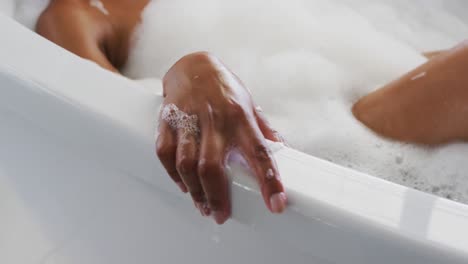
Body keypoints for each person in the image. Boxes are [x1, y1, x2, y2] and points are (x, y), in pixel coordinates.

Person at [35, 0, 468, 224]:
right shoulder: (84, 10)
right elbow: (98, 113)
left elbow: (395, 62)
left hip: (376, 92)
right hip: (322, 135)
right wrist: (190, 71)